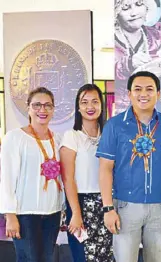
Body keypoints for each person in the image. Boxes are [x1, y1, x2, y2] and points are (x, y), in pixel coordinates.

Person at [97, 71, 161, 262]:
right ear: (129, 94)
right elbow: (105, 169)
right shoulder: (115, 125)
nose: (144, 94)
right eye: (138, 89)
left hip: (160, 207)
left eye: (149, 89)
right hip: (125, 207)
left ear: (158, 94)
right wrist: (108, 208)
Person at [0, 87, 64, 262]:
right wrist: (10, 215)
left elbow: (62, 177)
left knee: (47, 259)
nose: (42, 110)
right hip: (25, 214)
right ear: (28, 108)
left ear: (53, 109)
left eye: (47, 106)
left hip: (53, 212)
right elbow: (6, 178)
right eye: (37, 105)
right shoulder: (14, 138)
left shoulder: (58, 139)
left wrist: (64, 207)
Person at [60, 84, 113, 261]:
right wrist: (75, 213)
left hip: (107, 204)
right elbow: (68, 179)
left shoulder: (109, 135)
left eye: (95, 102)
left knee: (107, 255)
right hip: (81, 204)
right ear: (78, 107)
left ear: (101, 105)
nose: (90, 107)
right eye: (84, 102)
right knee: (83, 256)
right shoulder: (72, 136)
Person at [115, 0, 161, 112]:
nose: (134, 13)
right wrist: (130, 63)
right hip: (121, 111)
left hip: (157, 110)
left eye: (139, 4)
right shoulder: (110, 41)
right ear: (116, 13)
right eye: (126, 7)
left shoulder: (157, 35)